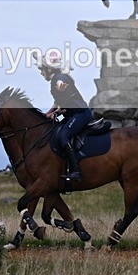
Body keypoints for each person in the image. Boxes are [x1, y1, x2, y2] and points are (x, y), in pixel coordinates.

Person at [36, 52, 92, 182]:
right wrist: (47, 114)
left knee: (63, 136)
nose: (41, 73)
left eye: (42, 70)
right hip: (73, 114)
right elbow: (57, 102)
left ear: (49, 69)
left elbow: (61, 87)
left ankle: (76, 171)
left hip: (80, 113)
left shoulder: (59, 78)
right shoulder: (55, 80)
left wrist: (55, 112)